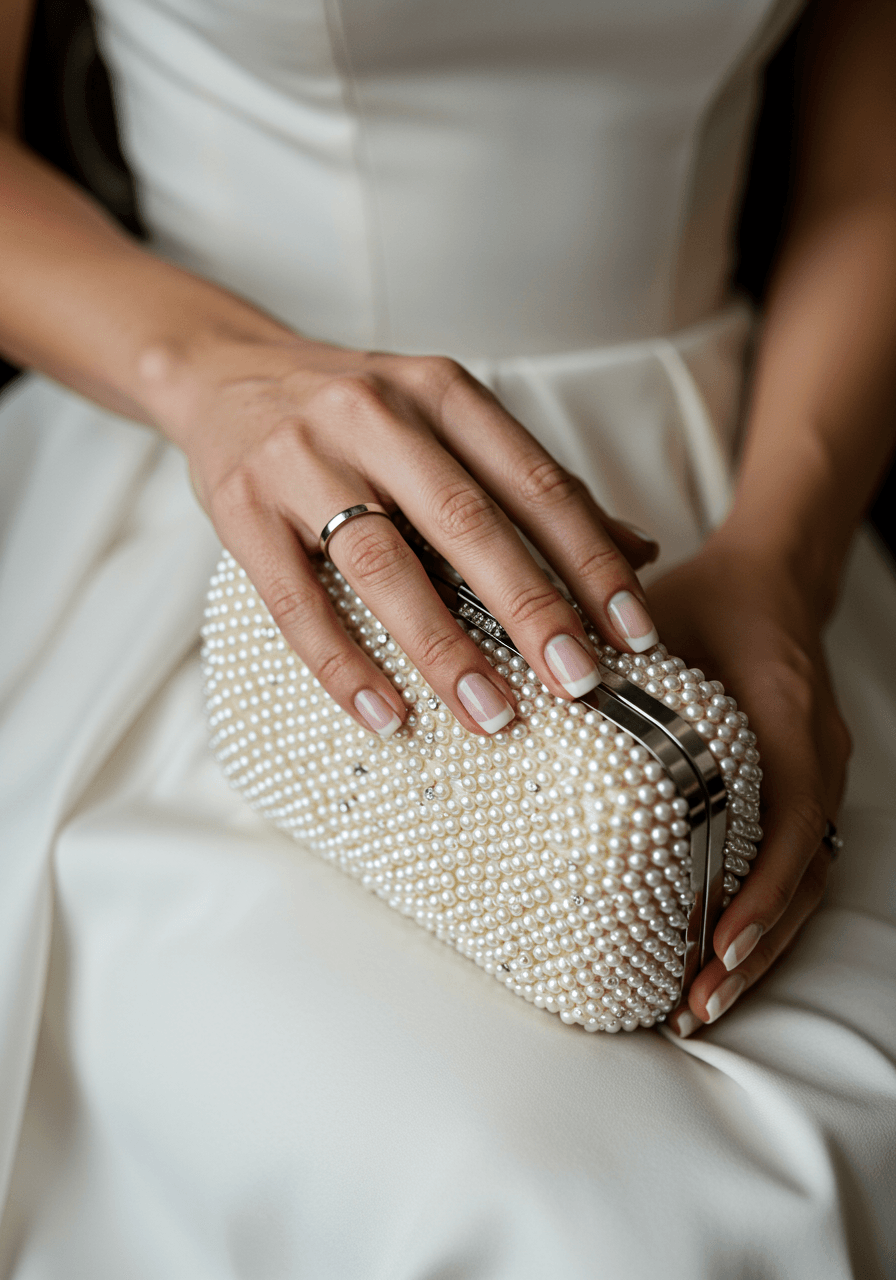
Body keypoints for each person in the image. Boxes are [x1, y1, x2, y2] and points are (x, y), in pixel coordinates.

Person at [0, 0, 894, 1274]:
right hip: (228, 489)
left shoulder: (772, 555)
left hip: (737, 507)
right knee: (557, 1207)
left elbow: (869, 166)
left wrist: (784, 559)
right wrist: (212, 371)